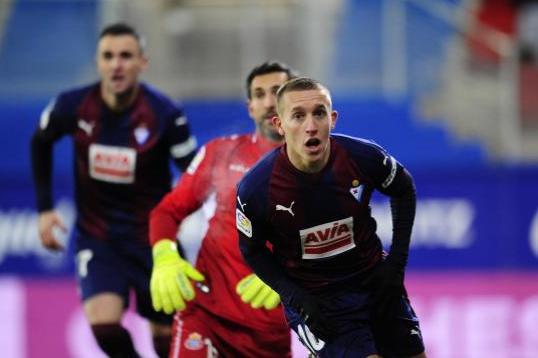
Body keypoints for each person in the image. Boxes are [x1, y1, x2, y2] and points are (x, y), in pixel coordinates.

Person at [30, 23, 197, 358]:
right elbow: (40, 142)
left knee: (167, 339)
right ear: (98, 62)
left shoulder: (165, 114)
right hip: (99, 239)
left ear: (142, 63)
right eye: (108, 56)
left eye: (125, 56)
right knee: (103, 326)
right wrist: (46, 208)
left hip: (154, 241)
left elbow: (193, 172)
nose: (116, 64)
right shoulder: (73, 106)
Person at [236, 77, 427, 358]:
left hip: (374, 283)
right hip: (318, 301)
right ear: (280, 125)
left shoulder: (362, 157)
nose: (311, 126)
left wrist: (395, 266)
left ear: (332, 119)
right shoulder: (256, 188)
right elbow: (252, 251)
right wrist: (295, 297)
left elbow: (404, 189)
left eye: (319, 113)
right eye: (298, 116)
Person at [148, 61, 296, 357]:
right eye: (259, 94)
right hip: (205, 316)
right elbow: (167, 212)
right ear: (250, 107)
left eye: (277, 92)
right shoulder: (220, 154)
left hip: (270, 332)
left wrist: (290, 276)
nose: (268, 102)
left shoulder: (320, 169)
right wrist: (164, 256)